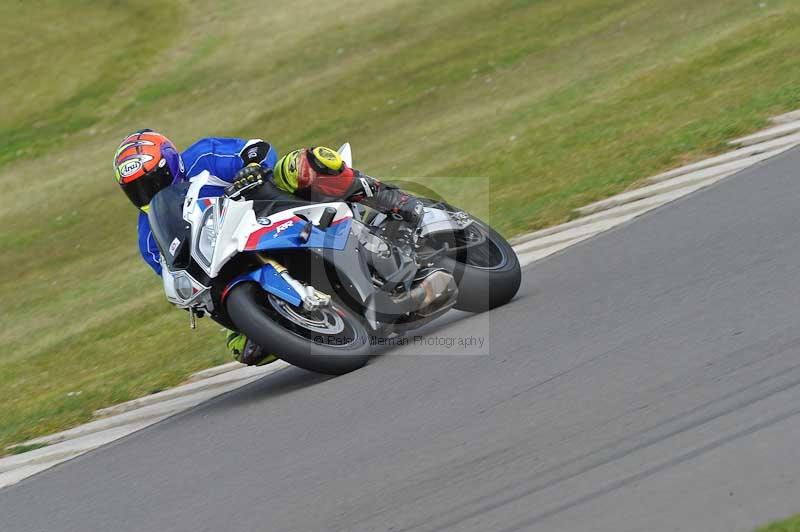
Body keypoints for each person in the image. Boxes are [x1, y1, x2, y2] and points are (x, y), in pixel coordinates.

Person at [114, 130, 424, 365]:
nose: (148, 192)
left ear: (172, 164)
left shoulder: (203, 156)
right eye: (137, 189)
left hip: (266, 205)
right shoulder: (149, 237)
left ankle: (390, 200)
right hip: (230, 254)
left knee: (301, 165)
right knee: (242, 348)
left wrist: (250, 168)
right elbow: (179, 273)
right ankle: (294, 317)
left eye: (154, 180)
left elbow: (257, 149)